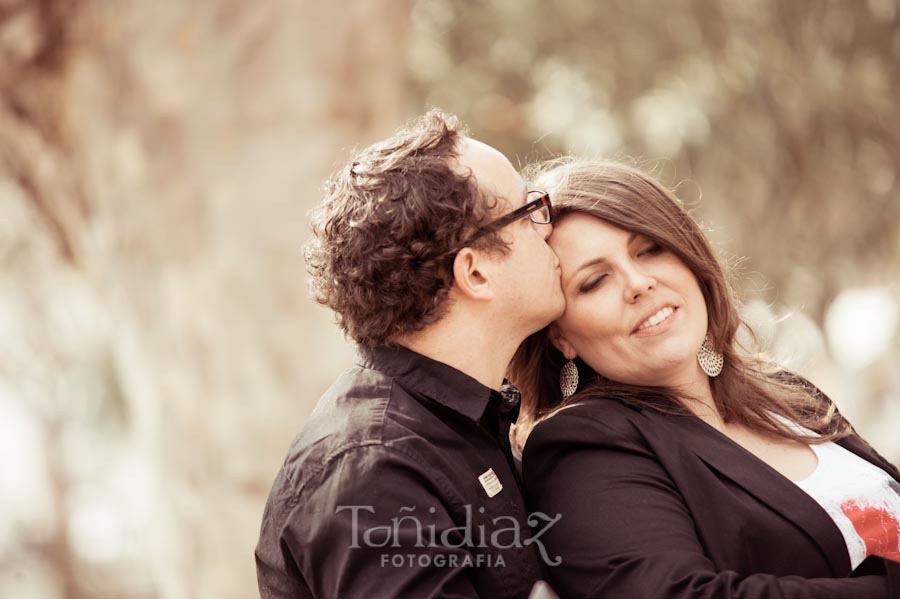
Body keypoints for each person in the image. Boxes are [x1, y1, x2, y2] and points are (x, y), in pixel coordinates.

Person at [509, 158, 900, 598]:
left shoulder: (788, 394)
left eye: (649, 249)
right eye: (595, 281)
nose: (639, 282)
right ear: (561, 336)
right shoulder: (583, 447)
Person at [255, 110, 566, 598]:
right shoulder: (372, 470)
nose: (548, 230)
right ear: (476, 272)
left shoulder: (464, 423)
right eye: (529, 212)